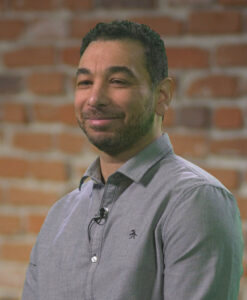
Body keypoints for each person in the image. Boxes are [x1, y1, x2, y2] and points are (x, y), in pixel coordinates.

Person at [22, 20, 243, 300]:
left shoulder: (194, 201)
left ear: (162, 96)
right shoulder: (59, 216)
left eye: (118, 81)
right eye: (85, 82)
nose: (95, 98)